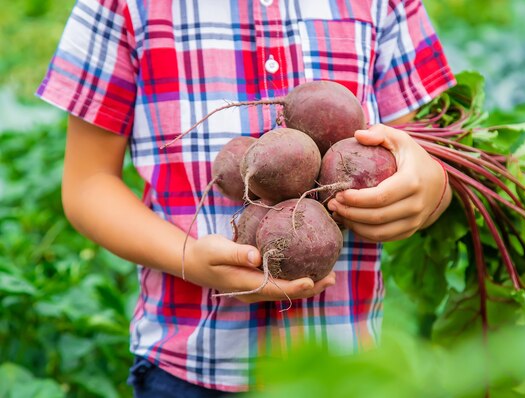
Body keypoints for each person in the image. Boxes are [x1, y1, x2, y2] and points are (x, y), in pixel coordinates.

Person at [38, 0, 455, 396]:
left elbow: (419, 155)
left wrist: (431, 189)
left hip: (346, 368)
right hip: (188, 368)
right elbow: (88, 185)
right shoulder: (121, 7)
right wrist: (188, 257)